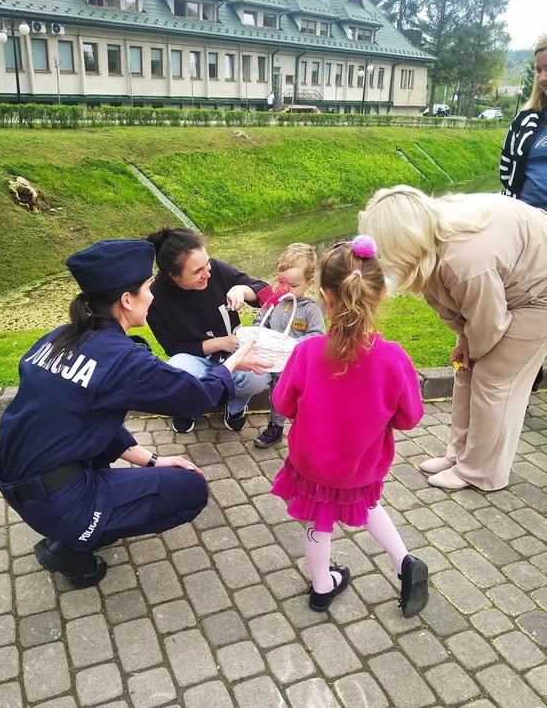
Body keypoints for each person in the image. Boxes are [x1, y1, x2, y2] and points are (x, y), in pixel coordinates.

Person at [0, 239, 269, 588]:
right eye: (146, 290)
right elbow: (194, 398)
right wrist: (233, 361)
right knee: (191, 489)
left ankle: (72, 522)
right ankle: (72, 543)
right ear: (127, 300)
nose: (152, 297)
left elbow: (89, 416)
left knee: (95, 433)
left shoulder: (59, 337)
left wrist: (150, 461)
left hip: (16, 477)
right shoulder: (122, 358)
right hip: (55, 497)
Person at [270, 236, 428, 616]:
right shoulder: (393, 359)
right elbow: (409, 418)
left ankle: (323, 587)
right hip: (360, 467)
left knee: (318, 521)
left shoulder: (306, 352)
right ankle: (404, 562)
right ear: (381, 294)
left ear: (324, 296)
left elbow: (282, 403)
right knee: (368, 504)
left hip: (313, 464)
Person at [359, 186, 547, 492]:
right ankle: (458, 455)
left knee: (495, 381)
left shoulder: (465, 261)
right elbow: (461, 307)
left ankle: (481, 472)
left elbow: (489, 325)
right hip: (505, 284)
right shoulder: (433, 239)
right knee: (464, 370)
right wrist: (464, 341)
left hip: (538, 295)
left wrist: (473, 345)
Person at [147, 227, 271, 434]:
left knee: (257, 377)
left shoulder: (216, 271)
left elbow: (266, 293)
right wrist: (222, 342)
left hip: (232, 352)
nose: (207, 274)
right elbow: (173, 347)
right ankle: (185, 408)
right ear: (173, 276)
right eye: (197, 272)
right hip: (194, 356)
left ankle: (236, 408)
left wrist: (242, 289)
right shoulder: (155, 299)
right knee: (178, 372)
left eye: (207, 264)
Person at [500, 35, 547, 392]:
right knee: (519, 297)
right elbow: (507, 171)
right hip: (523, 226)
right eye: (539, 69)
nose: (543, 76)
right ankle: (527, 370)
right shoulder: (527, 119)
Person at [253, 243, 326, 449]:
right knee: (278, 396)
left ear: (309, 282)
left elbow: (317, 336)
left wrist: (293, 345)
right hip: (275, 363)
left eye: (293, 285)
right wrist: (262, 336)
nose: (286, 290)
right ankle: (275, 428)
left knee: (304, 401)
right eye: (282, 283)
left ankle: (307, 432)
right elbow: (260, 322)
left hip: (300, 368)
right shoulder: (273, 302)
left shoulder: (311, 309)